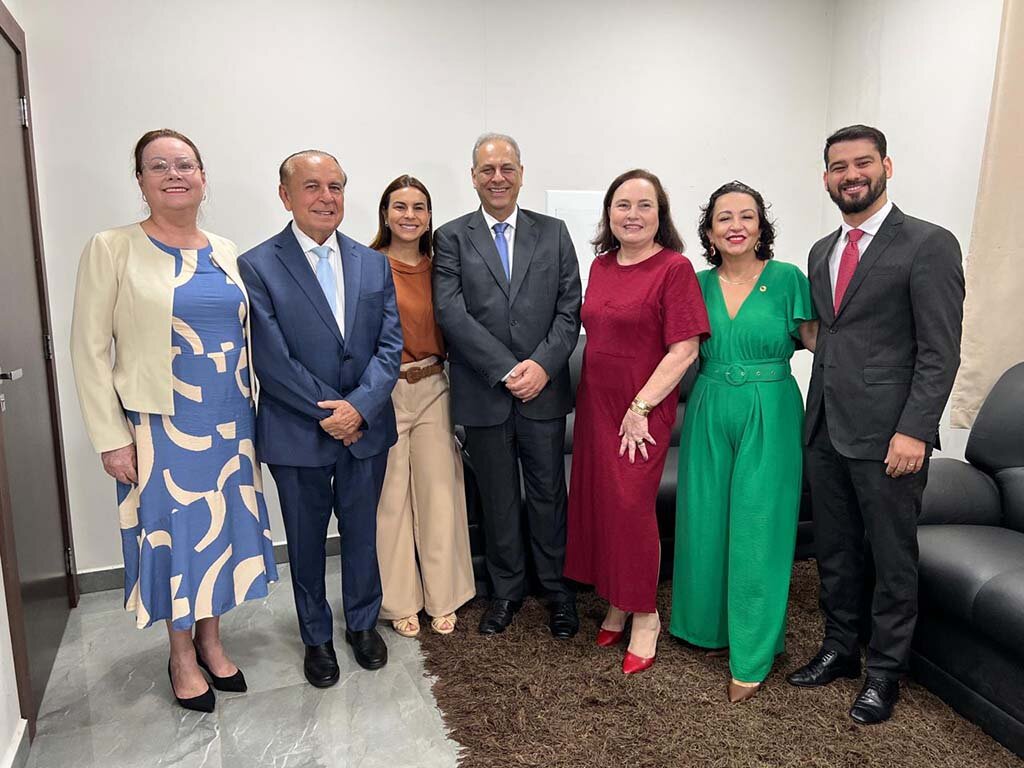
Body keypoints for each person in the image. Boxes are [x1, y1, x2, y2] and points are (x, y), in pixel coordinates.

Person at [70, 129, 278, 713]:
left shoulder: (226, 250)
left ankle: (212, 642)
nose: (174, 174)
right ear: (141, 180)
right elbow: (88, 351)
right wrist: (112, 439)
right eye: (157, 166)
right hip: (160, 427)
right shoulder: (112, 247)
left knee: (219, 534)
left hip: (231, 421)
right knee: (174, 538)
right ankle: (180, 655)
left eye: (185, 164)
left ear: (203, 176)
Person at [787, 125, 965, 724]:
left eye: (862, 163)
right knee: (834, 552)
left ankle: (885, 671)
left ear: (887, 166)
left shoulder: (928, 244)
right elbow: (829, 335)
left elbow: (940, 352)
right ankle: (839, 648)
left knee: (892, 558)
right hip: (825, 430)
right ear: (826, 178)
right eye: (839, 167)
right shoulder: (820, 251)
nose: (851, 175)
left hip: (892, 437)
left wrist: (915, 430)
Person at [238, 151, 403, 685]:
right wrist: (330, 411)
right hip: (297, 432)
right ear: (285, 196)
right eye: (312, 186)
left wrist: (360, 407)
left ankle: (361, 625)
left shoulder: (372, 261)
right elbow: (271, 358)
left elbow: (389, 345)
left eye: (335, 186)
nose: (326, 197)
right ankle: (315, 636)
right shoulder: (258, 264)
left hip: (366, 428)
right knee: (306, 542)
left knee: (361, 534)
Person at [669, 181, 817, 701]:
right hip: (709, 404)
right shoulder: (695, 282)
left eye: (746, 216)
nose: (735, 225)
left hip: (770, 406)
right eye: (724, 217)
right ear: (709, 230)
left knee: (760, 526)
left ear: (761, 227)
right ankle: (705, 628)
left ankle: (751, 653)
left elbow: (827, 347)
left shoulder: (787, 279)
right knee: (703, 519)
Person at [433, 133, 582, 637]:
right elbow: (451, 312)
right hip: (484, 392)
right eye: (487, 169)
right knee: (497, 498)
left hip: (544, 391)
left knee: (548, 495)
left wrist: (539, 366)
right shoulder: (451, 237)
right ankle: (506, 592)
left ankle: (559, 592)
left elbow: (569, 309)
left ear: (521, 173)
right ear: (473, 176)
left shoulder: (555, 233)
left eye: (507, 168)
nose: (498, 177)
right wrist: (506, 369)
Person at [564, 169, 709, 675]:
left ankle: (644, 614)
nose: (632, 214)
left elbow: (685, 349)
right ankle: (618, 602)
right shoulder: (601, 265)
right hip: (595, 407)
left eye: (644, 205)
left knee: (630, 508)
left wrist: (640, 408)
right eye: (622, 205)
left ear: (660, 215)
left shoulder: (675, 269)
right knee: (603, 505)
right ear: (609, 214)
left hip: (641, 411)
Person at [368, 175, 475, 638]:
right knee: (390, 500)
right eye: (400, 206)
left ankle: (444, 596)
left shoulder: (443, 267)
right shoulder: (365, 266)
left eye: (419, 207)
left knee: (440, 493)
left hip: (433, 384)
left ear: (430, 215)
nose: (409, 215)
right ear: (385, 214)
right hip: (384, 391)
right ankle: (398, 601)